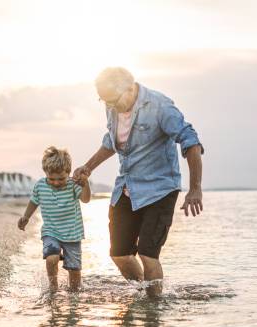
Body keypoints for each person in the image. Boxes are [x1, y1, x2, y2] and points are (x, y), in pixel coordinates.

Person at [73, 67, 204, 298]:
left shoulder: (160, 106)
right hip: (127, 187)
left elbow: (190, 141)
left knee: (148, 254)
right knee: (119, 254)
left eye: (112, 100)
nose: (110, 106)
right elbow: (110, 141)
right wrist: (88, 167)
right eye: (104, 101)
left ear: (130, 88)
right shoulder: (111, 106)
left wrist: (195, 189)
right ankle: (147, 294)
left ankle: (152, 312)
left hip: (160, 188)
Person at [18, 147, 91, 291]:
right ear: (45, 172)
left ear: (68, 173)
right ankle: (53, 286)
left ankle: (74, 299)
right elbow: (34, 201)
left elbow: (86, 199)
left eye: (61, 179)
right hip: (51, 231)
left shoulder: (73, 185)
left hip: (73, 234)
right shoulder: (40, 185)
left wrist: (85, 184)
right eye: (51, 179)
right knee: (52, 258)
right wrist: (26, 216)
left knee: (74, 271)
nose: (56, 183)